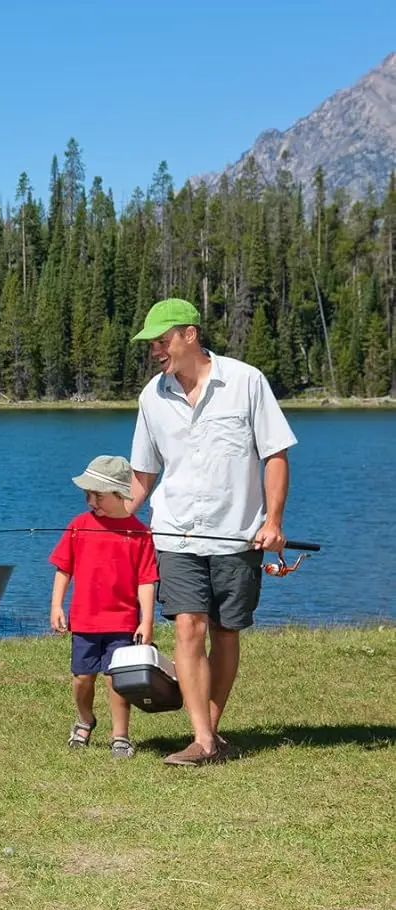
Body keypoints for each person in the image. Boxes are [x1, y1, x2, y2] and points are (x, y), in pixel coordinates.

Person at [127, 298, 298, 766]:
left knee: (224, 632)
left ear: (190, 334)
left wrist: (274, 521)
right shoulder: (151, 398)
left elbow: (276, 455)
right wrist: (113, 515)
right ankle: (202, 739)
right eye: (152, 344)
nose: (156, 351)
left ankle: (211, 731)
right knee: (188, 626)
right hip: (175, 534)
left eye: (162, 341)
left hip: (236, 534)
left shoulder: (245, 382)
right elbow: (144, 474)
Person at [49, 455, 160, 759]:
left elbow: (147, 581)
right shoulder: (79, 526)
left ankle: (120, 736)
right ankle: (85, 719)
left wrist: (146, 620)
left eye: (96, 495)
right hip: (84, 621)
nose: (89, 501)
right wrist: (57, 605)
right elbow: (63, 569)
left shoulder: (139, 533)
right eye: (87, 494)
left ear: (119, 494)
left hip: (123, 622)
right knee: (82, 678)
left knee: (117, 680)